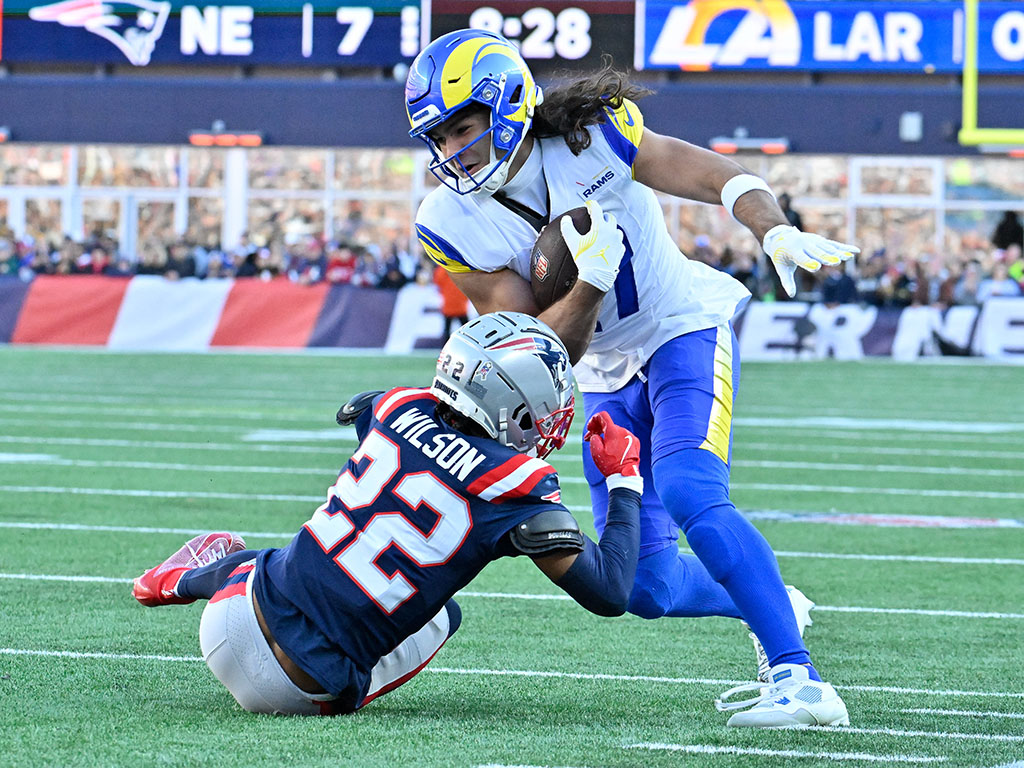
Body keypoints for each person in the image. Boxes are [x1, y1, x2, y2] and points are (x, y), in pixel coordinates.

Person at [405, 29, 854, 727]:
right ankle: (766, 596)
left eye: (461, 128)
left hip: (682, 328)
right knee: (642, 585)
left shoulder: (593, 134)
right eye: (436, 137)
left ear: (507, 105)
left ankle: (800, 680)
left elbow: (714, 174)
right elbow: (537, 345)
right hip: (602, 371)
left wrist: (772, 229)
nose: (449, 151)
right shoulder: (448, 222)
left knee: (687, 485)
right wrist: (588, 282)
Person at [132, 312, 644, 716]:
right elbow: (610, 592)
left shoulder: (396, 406)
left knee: (288, 561)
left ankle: (180, 579)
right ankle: (338, 671)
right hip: (303, 689)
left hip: (226, 620)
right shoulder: (516, 485)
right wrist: (623, 481)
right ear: (516, 401)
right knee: (444, 614)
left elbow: (372, 413)